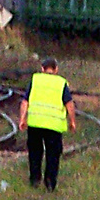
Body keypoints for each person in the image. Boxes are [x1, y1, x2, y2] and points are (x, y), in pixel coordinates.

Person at [18, 57, 76, 191]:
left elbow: (25, 102)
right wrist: (72, 121)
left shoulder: (35, 79)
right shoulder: (61, 83)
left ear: (42, 69)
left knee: (35, 153)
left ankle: (35, 180)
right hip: (54, 126)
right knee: (53, 155)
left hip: (35, 124)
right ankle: (50, 183)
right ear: (56, 69)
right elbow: (69, 104)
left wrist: (22, 118)